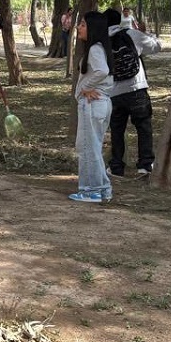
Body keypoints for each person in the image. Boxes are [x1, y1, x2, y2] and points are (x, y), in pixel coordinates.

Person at [105, 8, 163, 177]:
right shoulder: (132, 34)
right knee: (143, 127)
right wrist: (146, 33)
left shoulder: (102, 41)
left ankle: (116, 166)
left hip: (113, 92)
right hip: (136, 88)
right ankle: (145, 165)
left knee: (117, 130)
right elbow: (157, 47)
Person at [70, 11, 115, 203]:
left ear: (93, 28)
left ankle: (91, 190)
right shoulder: (98, 48)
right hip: (99, 104)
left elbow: (102, 70)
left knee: (88, 147)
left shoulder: (95, 49)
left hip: (92, 104)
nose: (79, 28)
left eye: (83, 25)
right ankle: (103, 188)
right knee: (90, 146)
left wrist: (86, 88)